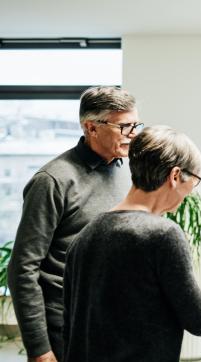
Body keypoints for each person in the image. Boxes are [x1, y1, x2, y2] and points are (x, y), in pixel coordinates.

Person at [62, 125, 201, 362]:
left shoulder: (85, 235)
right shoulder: (161, 235)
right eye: (195, 180)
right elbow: (200, 318)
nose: (190, 192)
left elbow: (69, 324)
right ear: (175, 176)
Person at [7, 86, 140, 362]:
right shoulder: (52, 181)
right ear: (91, 128)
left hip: (116, 324)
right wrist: (39, 348)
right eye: (124, 127)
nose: (133, 135)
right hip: (68, 329)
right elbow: (23, 268)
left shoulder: (127, 171)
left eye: (135, 125)